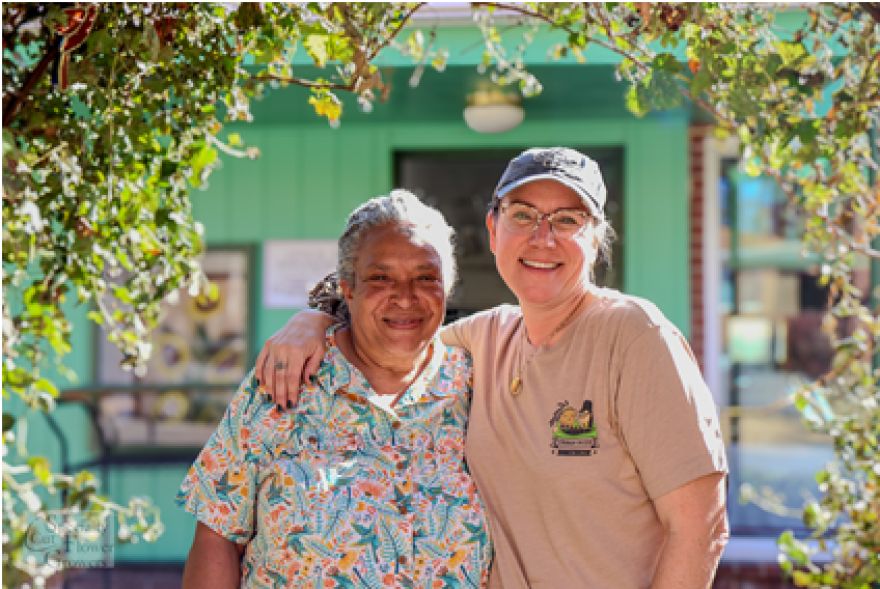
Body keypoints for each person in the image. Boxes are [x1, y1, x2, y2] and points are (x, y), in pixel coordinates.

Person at [257, 148, 730, 588]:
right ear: (493, 230)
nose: (543, 238)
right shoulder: (481, 340)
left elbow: (699, 528)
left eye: (568, 220)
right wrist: (313, 318)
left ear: (596, 237)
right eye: (523, 215)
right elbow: (385, 328)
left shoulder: (635, 337)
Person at [177, 191, 493, 588]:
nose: (405, 296)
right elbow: (217, 537)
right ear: (348, 288)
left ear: (447, 288)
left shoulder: (479, 387)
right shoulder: (286, 380)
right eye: (381, 277)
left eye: (425, 277)